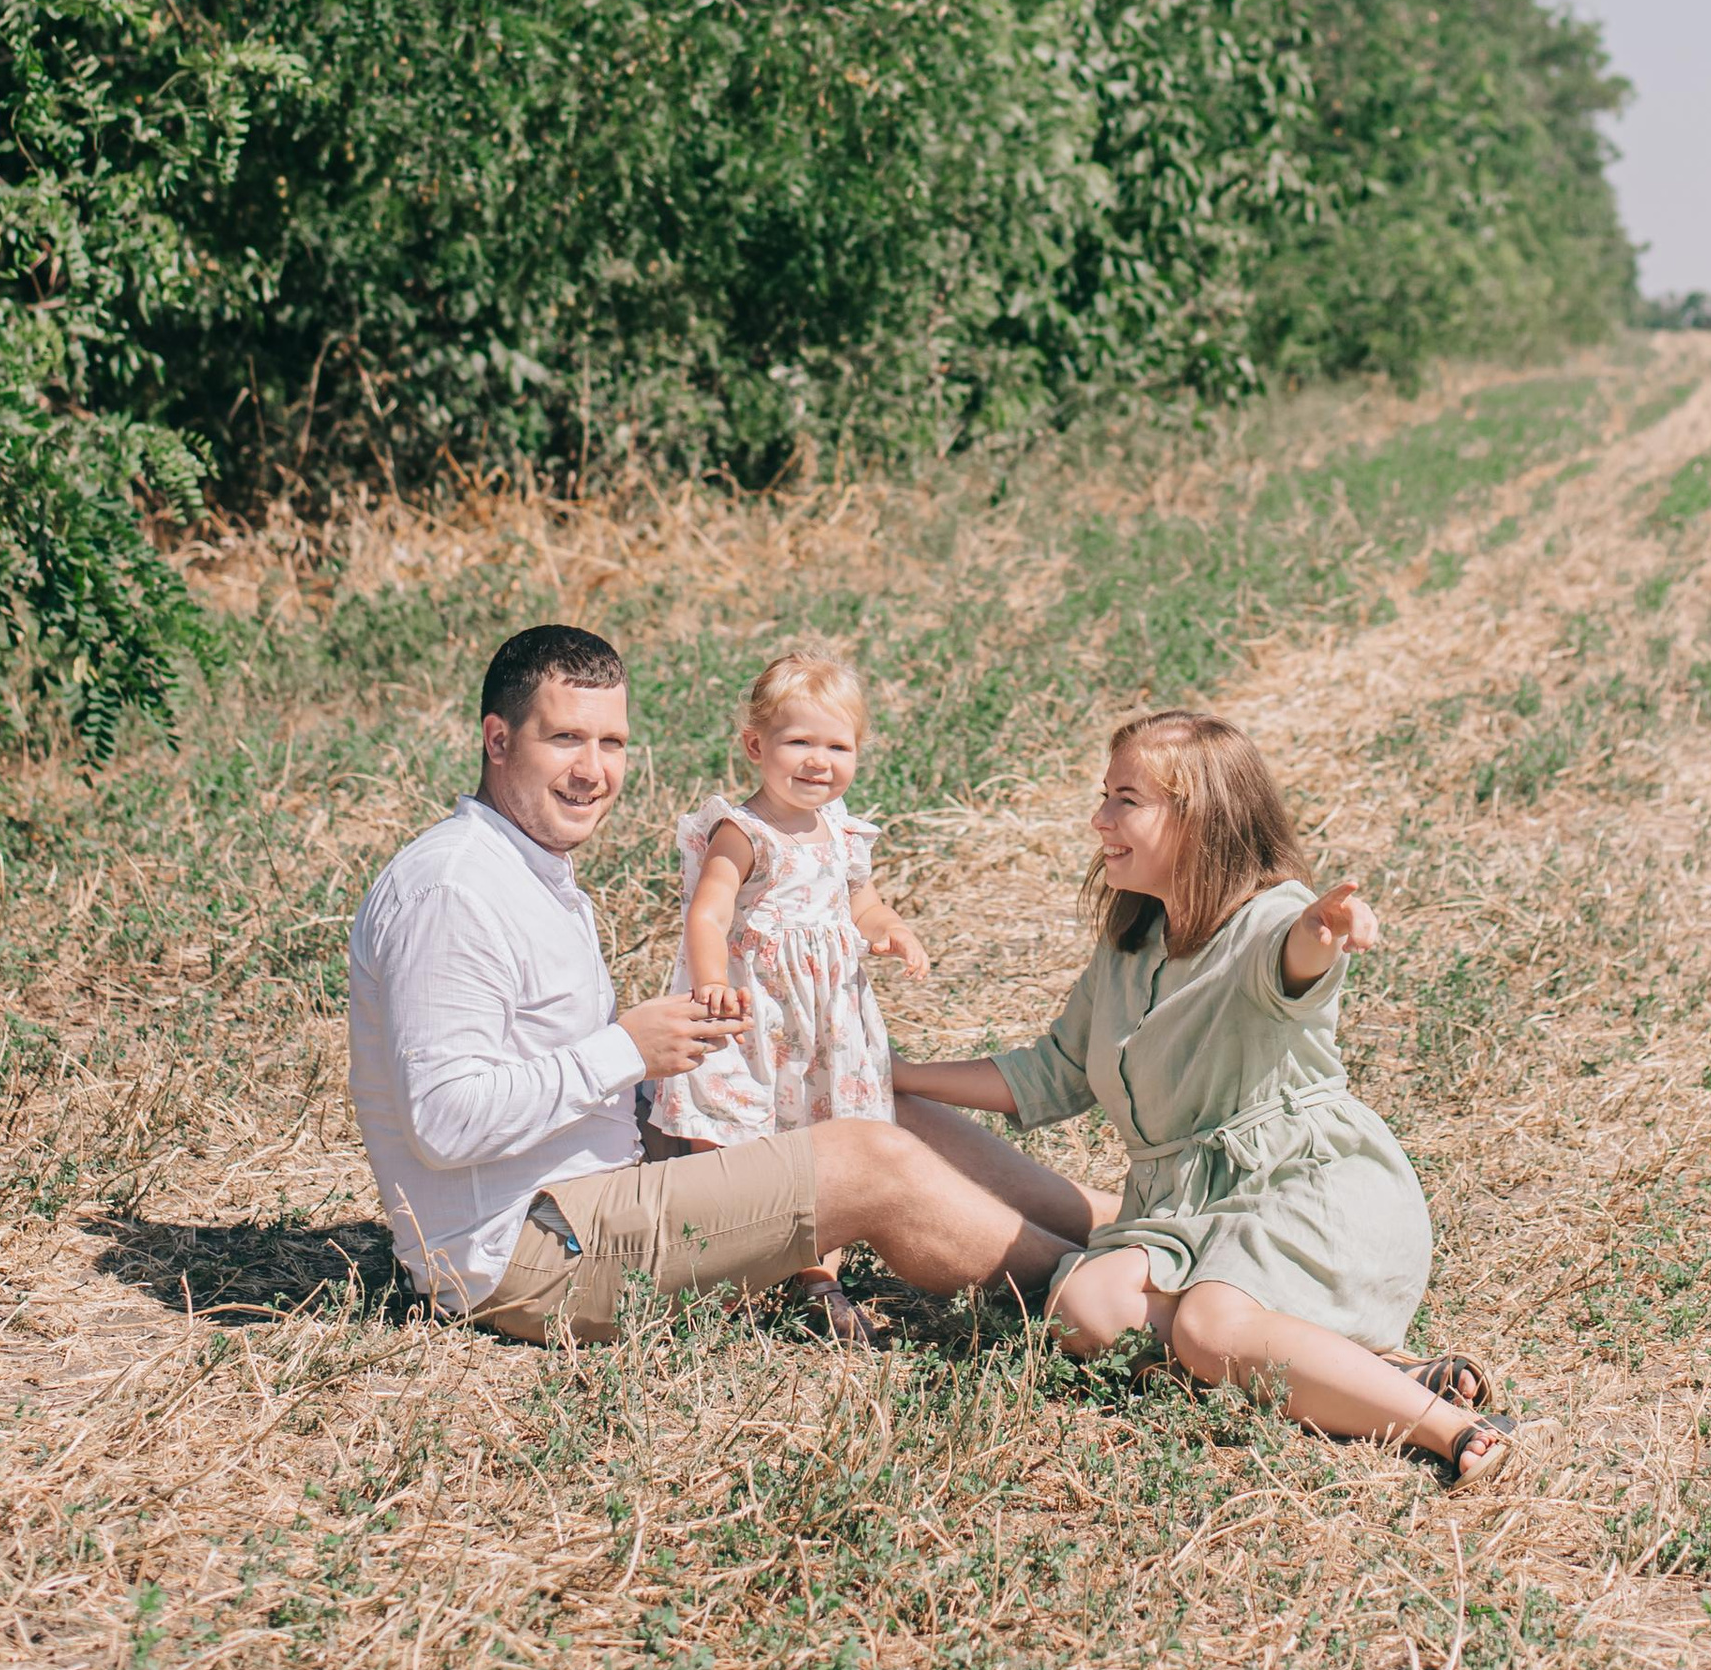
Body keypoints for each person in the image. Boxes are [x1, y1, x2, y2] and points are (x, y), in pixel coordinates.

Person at [345, 622, 1101, 1345]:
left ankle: (1122, 1227)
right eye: (565, 738)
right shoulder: (453, 890)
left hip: (597, 1187)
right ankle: (1108, 1296)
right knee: (868, 1157)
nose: (593, 771)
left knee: (853, 1096)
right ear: (498, 740)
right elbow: (443, 1124)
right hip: (532, 1255)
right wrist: (627, 1051)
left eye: (612, 743)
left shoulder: (526, 867)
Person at [892, 707, 1512, 1474]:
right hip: (1191, 1214)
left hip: (1307, 1192)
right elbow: (1052, 1072)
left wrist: (1323, 933)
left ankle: (1450, 1428)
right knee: (1082, 1309)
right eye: (1105, 795)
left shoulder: (1269, 918)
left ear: (1200, 820)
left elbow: (1293, 959)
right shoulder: (1130, 947)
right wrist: (900, 1076)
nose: (1099, 819)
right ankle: (1361, 1375)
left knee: (1207, 1327)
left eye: (1126, 800)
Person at [649, 649, 927, 1348]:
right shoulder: (744, 831)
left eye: (838, 746)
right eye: (799, 741)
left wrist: (890, 930)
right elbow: (709, 911)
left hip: (827, 1021)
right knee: (736, 1126)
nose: (817, 762)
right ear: (756, 746)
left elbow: (862, 903)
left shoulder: (842, 832)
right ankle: (726, 1266)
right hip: (753, 1013)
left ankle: (819, 1275)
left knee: (828, 1130)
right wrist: (711, 981)